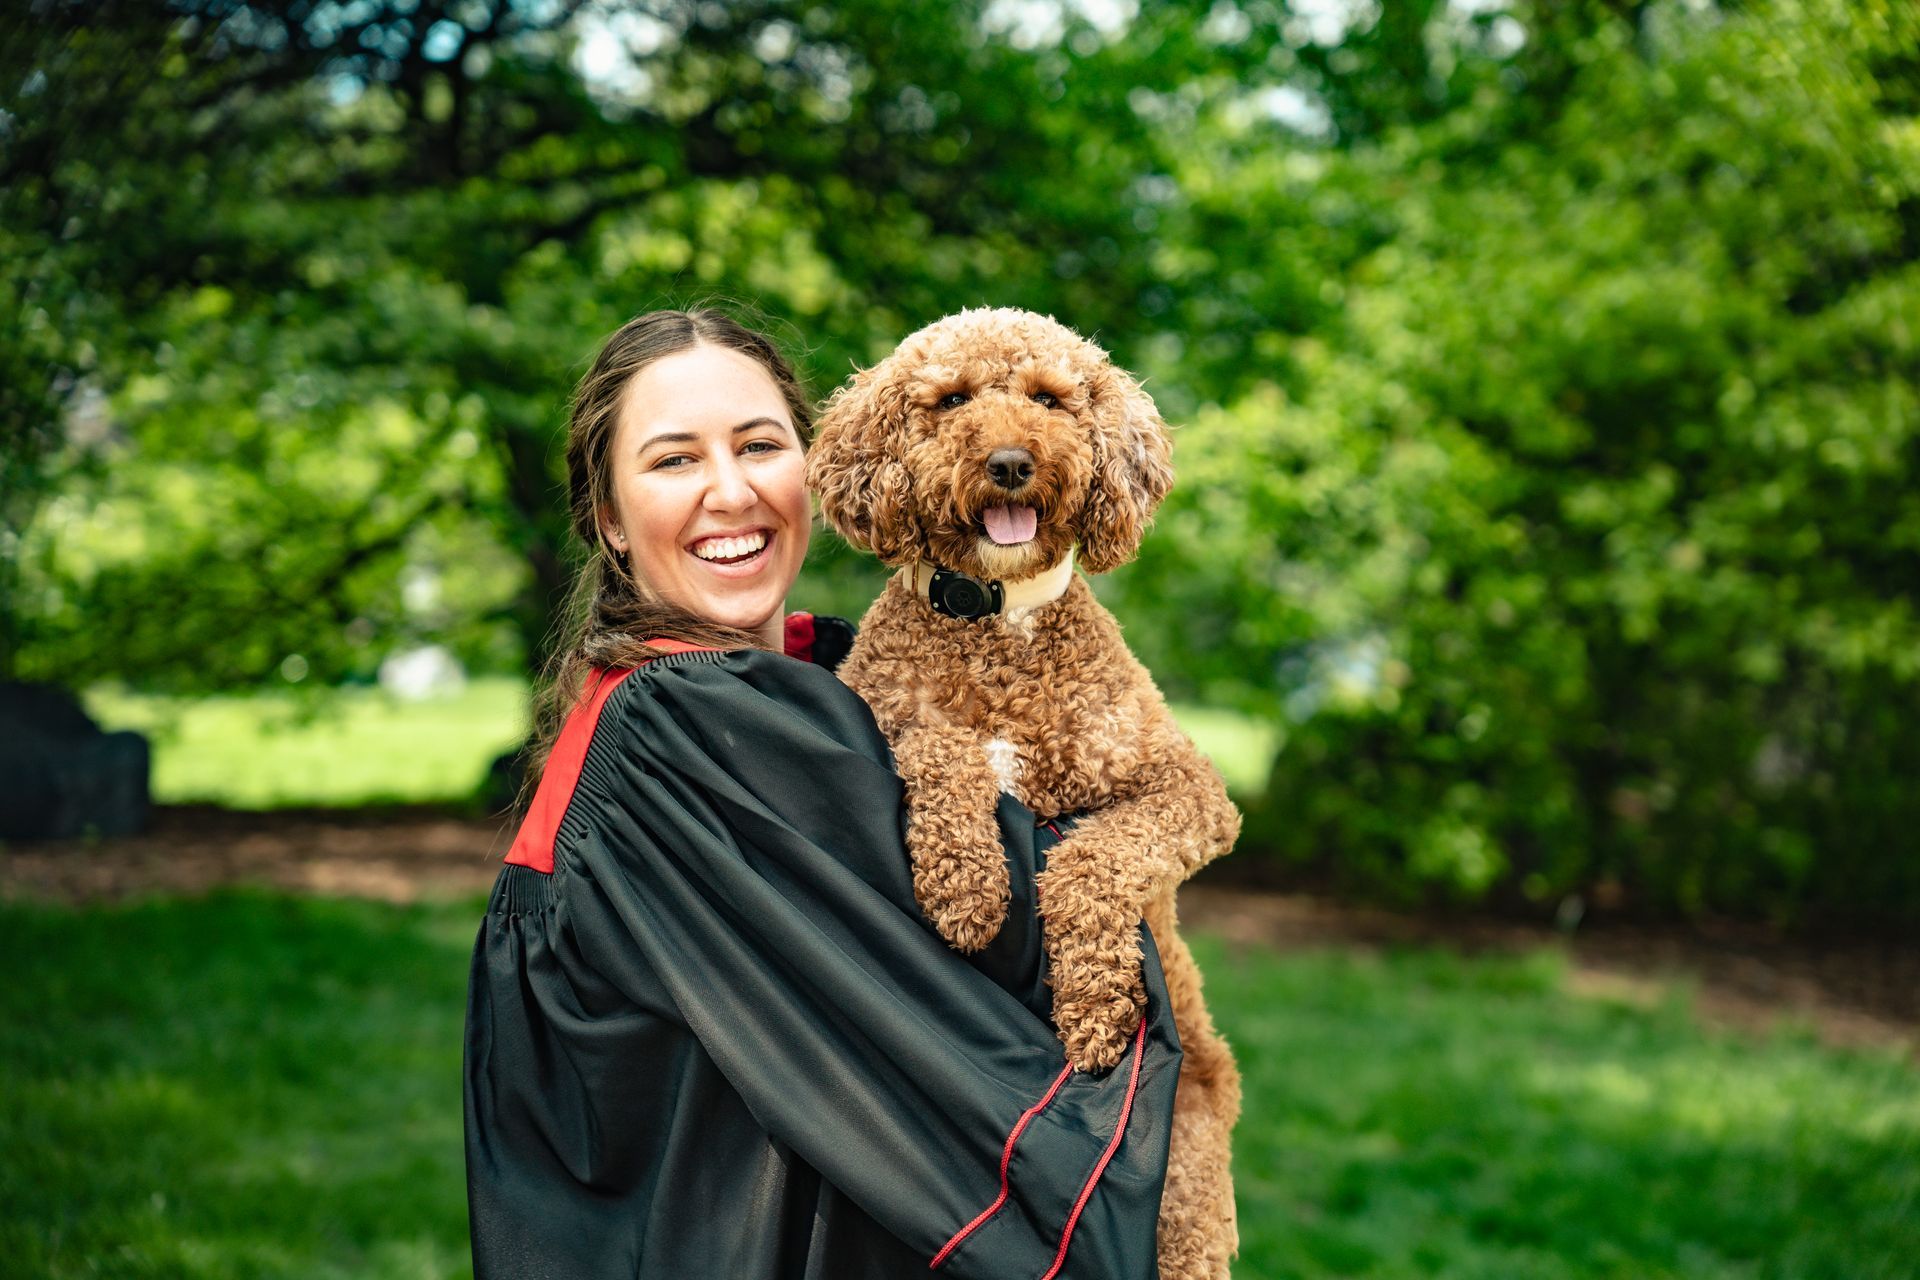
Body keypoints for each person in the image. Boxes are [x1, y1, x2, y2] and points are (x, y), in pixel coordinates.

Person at [463, 308, 1182, 1279]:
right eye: (674, 461)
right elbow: (1031, 934)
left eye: (760, 444)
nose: (731, 490)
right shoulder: (695, 727)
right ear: (607, 517)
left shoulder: (815, 683)